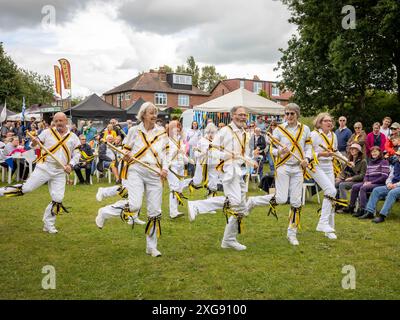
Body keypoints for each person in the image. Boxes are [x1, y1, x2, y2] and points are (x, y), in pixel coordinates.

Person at [0, 112, 80, 234]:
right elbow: (32, 145)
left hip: (60, 171)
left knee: (58, 199)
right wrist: (34, 143)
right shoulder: (47, 132)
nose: (58, 123)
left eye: (61, 121)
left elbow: (77, 154)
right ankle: (1, 192)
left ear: (66, 121)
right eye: (56, 121)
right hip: (44, 167)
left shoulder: (73, 137)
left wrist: (71, 165)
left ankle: (49, 224)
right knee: (26, 189)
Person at [246, 103, 312, 246]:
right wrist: (279, 152)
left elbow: (308, 147)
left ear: (297, 114)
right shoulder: (279, 130)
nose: (289, 116)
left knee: (296, 201)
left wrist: (307, 159)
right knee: (281, 199)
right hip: (283, 167)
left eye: (292, 114)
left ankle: (292, 233)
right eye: (286, 113)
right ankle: (253, 201)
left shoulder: (305, 129)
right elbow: (271, 149)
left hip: (298, 169)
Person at [120, 102, 169, 257]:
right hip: (137, 170)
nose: (154, 116)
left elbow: (166, 154)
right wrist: (126, 155)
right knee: (134, 205)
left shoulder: (162, 132)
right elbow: (124, 151)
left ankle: (151, 247)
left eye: (155, 113)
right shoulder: (134, 131)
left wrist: (165, 168)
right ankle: (106, 212)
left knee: (155, 211)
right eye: (151, 113)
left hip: (155, 172)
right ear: (143, 115)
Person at [211, 106, 258, 251]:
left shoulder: (245, 133)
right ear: (233, 116)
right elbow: (212, 151)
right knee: (236, 203)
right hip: (229, 171)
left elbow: (244, 154)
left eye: (245, 115)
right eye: (240, 115)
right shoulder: (224, 131)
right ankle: (199, 206)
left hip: (240, 172)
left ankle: (228, 240)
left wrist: (251, 159)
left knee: (241, 208)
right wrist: (226, 156)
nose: (243, 117)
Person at [309, 113, 343, 239]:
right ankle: (322, 223)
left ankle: (329, 229)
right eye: (326, 121)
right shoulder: (313, 135)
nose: (329, 123)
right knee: (331, 190)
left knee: (331, 196)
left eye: (330, 121)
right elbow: (307, 153)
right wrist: (322, 154)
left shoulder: (333, 135)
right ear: (319, 122)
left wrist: (345, 160)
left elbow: (335, 151)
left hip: (329, 166)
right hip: (316, 166)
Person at [349, 146, 390, 217]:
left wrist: (371, 182)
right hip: (369, 182)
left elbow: (384, 177)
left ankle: (363, 210)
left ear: (379, 152)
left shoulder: (384, 162)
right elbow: (366, 174)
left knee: (363, 188)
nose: (373, 153)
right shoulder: (370, 162)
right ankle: (351, 207)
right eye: (372, 152)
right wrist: (365, 181)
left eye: (375, 151)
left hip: (379, 183)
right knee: (355, 186)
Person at [362, 150, 400, 223]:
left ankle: (382, 215)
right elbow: (390, 176)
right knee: (376, 190)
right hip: (392, 185)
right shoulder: (396, 164)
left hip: (397, 186)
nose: (398, 157)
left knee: (392, 193)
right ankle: (370, 212)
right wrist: (388, 183)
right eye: (398, 155)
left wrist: (395, 185)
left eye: (399, 155)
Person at [166, 120, 192, 219]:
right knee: (174, 188)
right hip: (171, 166)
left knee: (180, 188)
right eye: (176, 127)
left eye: (179, 127)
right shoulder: (166, 140)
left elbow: (182, 154)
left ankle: (175, 210)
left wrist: (188, 159)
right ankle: (173, 212)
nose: (178, 129)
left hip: (180, 166)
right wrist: (175, 152)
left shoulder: (180, 140)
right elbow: (165, 155)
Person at [335, 143, 367, 210]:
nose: (352, 150)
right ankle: (338, 203)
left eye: (354, 149)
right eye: (351, 149)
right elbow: (344, 171)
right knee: (336, 184)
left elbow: (362, 176)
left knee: (342, 185)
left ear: (358, 151)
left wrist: (352, 177)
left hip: (357, 181)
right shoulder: (349, 159)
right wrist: (340, 177)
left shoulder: (363, 161)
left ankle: (344, 205)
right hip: (347, 180)